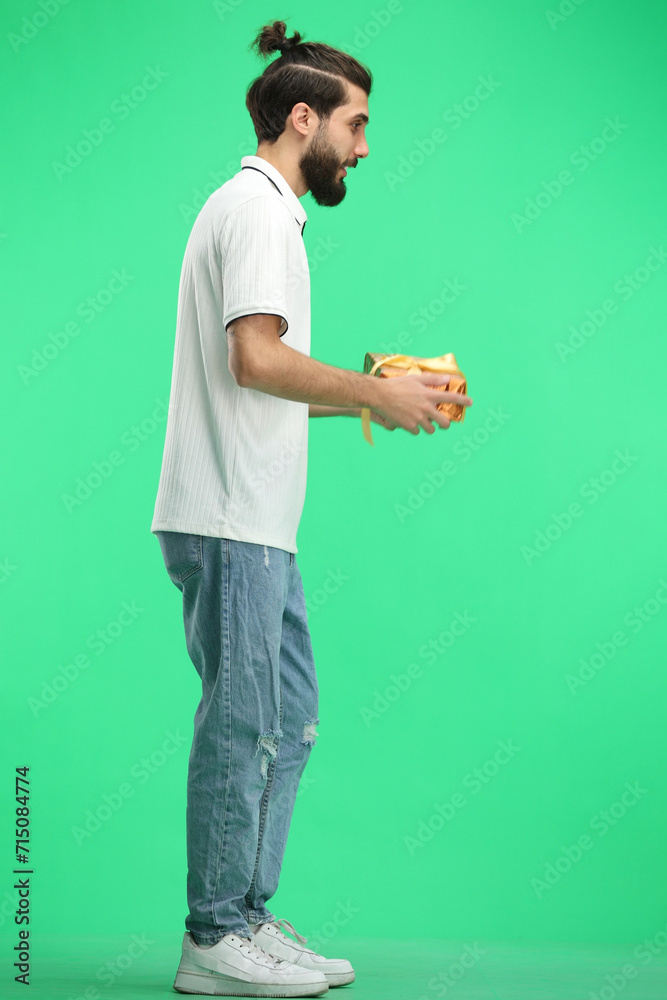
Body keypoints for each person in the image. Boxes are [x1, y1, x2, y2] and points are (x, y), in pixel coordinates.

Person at [151, 18, 473, 998]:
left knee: (286, 724)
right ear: (304, 118)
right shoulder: (255, 212)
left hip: (256, 523)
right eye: (356, 124)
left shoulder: (269, 214)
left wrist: (381, 391)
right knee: (244, 722)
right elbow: (255, 358)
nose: (363, 147)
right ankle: (213, 936)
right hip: (229, 518)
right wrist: (373, 393)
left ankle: (245, 917)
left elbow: (262, 378)